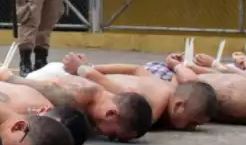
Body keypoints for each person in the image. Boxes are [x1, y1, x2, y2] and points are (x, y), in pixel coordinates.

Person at [0, 64, 153, 142]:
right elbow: (16, 81)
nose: (107, 136)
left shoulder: (112, 96)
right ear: (110, 114)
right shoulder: (72, 97)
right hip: (29, 82)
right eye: (113, 136)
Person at [61, 53, 218, 130]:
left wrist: (93, 67)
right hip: (72, 81)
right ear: (179, 106)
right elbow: (122, 92)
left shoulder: (164, 86)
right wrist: (84, 69)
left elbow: (136, 69)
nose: (192, 128)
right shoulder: (155, 106)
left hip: (82, 79)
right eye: (192, 123)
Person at [163, 53, 246, 124]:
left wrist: (177, 66)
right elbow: (222, 75)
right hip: (186, 78)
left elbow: (192, 82)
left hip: (179, 83)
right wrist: (198, 68)